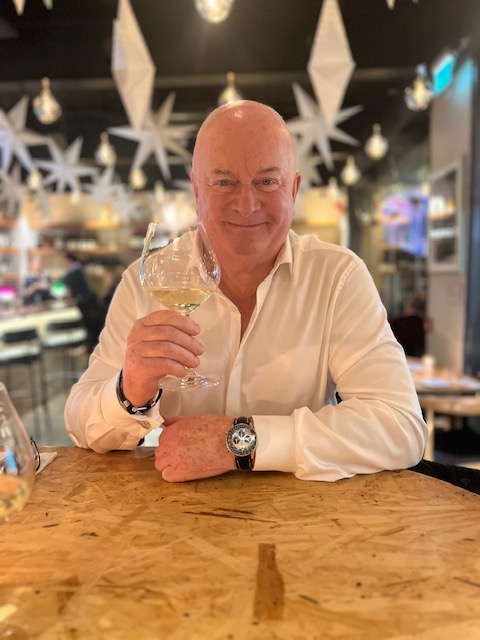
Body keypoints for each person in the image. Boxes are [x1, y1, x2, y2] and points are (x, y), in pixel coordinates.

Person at [65, 100, 427, 484]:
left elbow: (400, 427)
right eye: (224, 182)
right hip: (170, 507)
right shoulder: (146, 281)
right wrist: (130, 389)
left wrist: (238, 441)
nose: (247, 205)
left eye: (267, 181)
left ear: (294, 189)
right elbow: (80, 424)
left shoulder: (337, 276)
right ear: (197, 191)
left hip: (303, 514)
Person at [61, 253, 106, 353]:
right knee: (93, 331)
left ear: (69, 261)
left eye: (65, 262)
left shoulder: (74, 271)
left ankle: (91, 351)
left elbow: (63, 283)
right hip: (90, 304)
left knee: (92, 331)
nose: (64, 264)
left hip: (87, 306)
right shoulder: (79, 270)